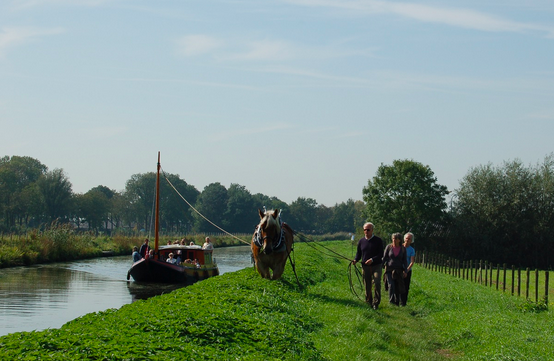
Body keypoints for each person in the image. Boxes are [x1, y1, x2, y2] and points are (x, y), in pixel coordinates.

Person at [352, 222, 384, 310]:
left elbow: (380, 254)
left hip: (376, 265)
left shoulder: (378, 241)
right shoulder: (361, 241)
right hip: (365, 266)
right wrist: (355, 260)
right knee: (367, 284)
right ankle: (369, 302)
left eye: (368, 229)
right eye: (365, 230)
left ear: (372, 230)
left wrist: (372, 259)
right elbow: (359, 253)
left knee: (377, 282)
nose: (366, 231)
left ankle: (376, 303)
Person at [383, 233, 408, 306]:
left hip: (398, 270)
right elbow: (384, 257)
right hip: (389, 269)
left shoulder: (403, 249)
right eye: (393, 238)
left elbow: (405, 261)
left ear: (399, 240)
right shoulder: (388, 247)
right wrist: (380, 266)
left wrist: (405, 271)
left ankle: (397, 301)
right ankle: (391, 301)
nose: (394, 240)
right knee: (391, 285)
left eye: (396, 239)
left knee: (397, 286)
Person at [400, 232, 415, 306]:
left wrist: (406, 270)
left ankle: (403, 302)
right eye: (406, 238)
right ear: (404, 239)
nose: (407, 240)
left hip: (407, 270)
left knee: (406, 286)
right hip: (399, 269)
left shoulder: (412, 250)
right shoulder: (399, 247)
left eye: (409, 239)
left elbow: (412, 262)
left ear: (411, 240)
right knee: (398, 285)